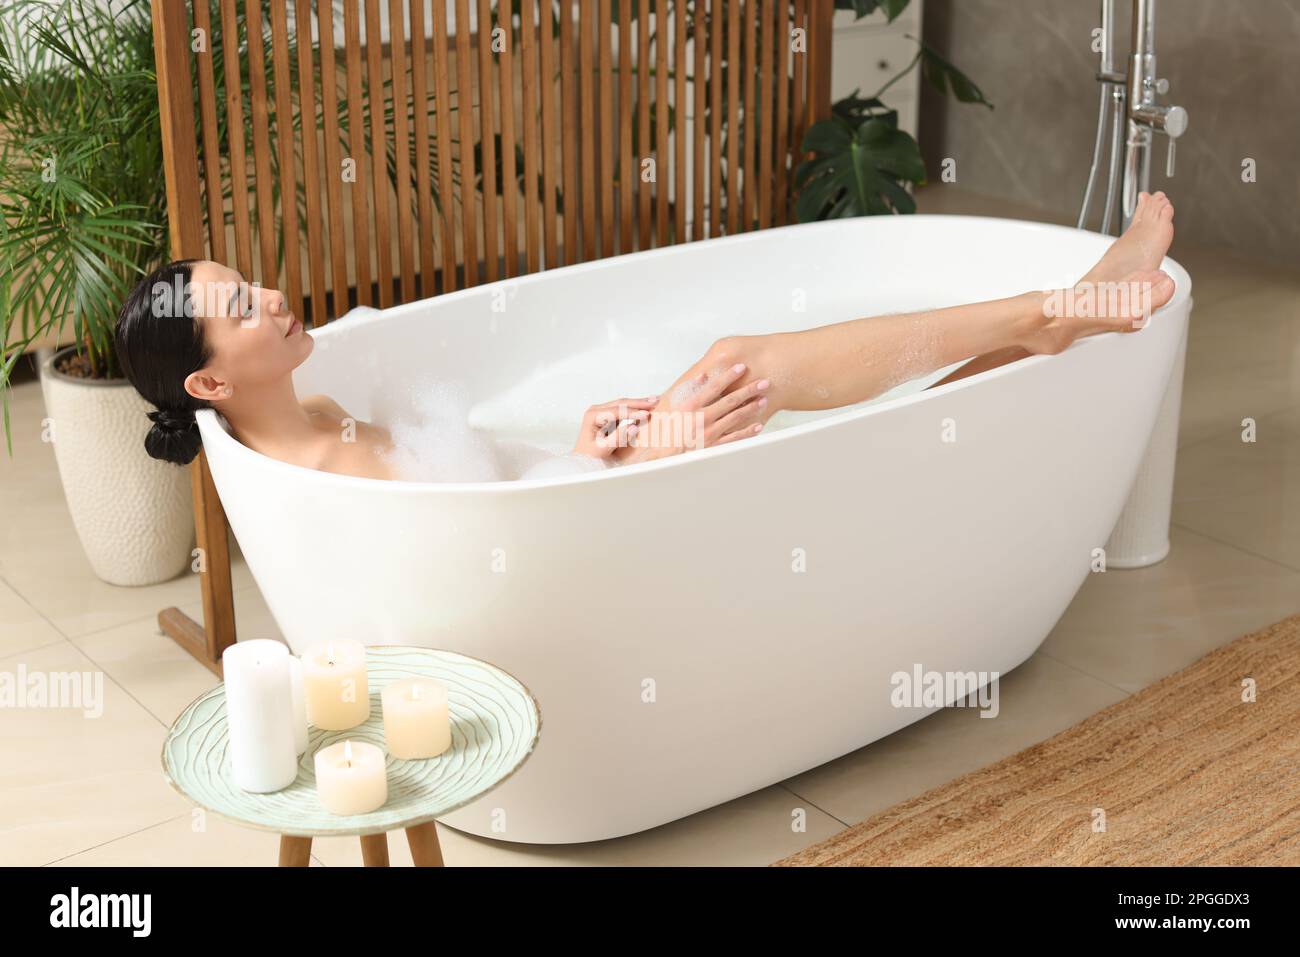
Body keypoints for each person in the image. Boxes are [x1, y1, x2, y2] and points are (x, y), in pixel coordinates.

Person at [114, 192, 1176, 480]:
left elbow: (497, 495)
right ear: (207, 382)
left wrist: (588, 447)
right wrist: (646, 458)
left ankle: (1052, 325)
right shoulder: (316, 470)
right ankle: (1053, 313)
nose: (276, 296)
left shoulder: (329, 417)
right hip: (595, 509)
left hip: (579, 481)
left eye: (251, 279)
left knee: (860, 393)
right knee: (738, 365)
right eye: (244, 306)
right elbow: (498, 558)